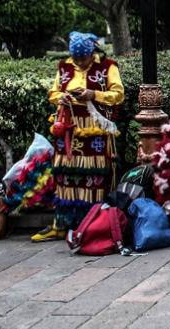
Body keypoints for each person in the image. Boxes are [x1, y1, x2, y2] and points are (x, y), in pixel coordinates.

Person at [33, 32, 124, 242]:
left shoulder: (108, 66)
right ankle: (62, 224)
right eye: (77, 59)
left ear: (92, 53)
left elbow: (118, 94)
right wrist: (62, 97)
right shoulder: (64, 67)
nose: (80, 62)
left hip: (95, 129)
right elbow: (53, 92)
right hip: (68, 128)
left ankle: (94, 224)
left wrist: (93, 95)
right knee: (64, 175)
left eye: (84, 58)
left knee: (94, 176)